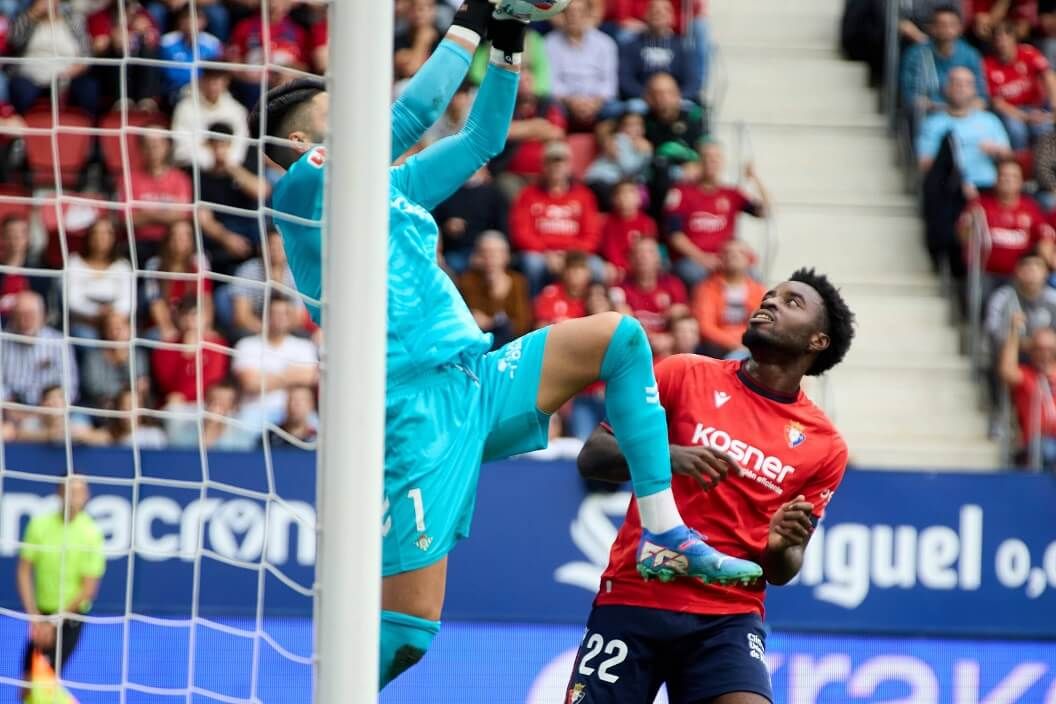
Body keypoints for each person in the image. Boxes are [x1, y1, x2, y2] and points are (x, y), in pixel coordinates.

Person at [253, 4, 760, 689]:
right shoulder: (303, 186)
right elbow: (410, 116)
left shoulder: (386, 187)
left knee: (619, 336)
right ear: (298, 138)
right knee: (408, 635)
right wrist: (470, 16)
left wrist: (509, 41)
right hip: (410, 408)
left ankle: (664, 530)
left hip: (474, 381)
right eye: (331, 112)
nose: (349, 116)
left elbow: (482, 138)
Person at [569, 268, 855, 703]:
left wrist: (781, 545)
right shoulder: (682, 373)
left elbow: (782, 570)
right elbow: (592, 457)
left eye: (791, 302)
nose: (770, 301)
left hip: (727, 618)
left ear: (817, 341)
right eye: (771, 295)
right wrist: (668, 457)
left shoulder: (825, 446)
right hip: (635, 597)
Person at [918, 66, 1012, 276]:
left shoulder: (989, 121)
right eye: (955, 83)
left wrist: (997, 151)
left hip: (987, 188)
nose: (960, 88)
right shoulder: (934, 123)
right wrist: (959, 178)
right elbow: (925, 163)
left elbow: (1009, 157)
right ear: (946, 88)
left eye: (966, 84)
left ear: (974, 90)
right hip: (950, 190)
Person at [17, 477, 105, 696]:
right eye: (71, 491)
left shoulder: (91, 533)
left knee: (43, 685)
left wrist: (53, 622)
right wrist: (35, 617)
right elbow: (24, 571)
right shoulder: (39, 525)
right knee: (26, 687)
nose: (76, 497)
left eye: (81, 491)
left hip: (69, 619)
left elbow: (88, 589)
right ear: (59, 493)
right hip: (41, 616)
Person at [664, 141, 771, 288]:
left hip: (726, 258)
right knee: (695, 275)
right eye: (707, 157)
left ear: (722, 162)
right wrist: (702, 258)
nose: (712, 161)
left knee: (753, 275)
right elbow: (674, 235)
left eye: (716, 157)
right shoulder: (681, 192)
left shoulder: (731, 194)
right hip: (693, 259)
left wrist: (754, 178)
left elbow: (765, 211)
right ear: (699, 162)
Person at [511, 139, 604, 294]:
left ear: (569, 166)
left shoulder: (584, 196)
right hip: (541, 254)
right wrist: (546, 253)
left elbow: (592, 235)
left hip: (575, 254)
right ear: (543, 166)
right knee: (532, 264)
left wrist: (570, 255)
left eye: (561, 162)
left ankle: (590, 306)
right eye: (551, 162)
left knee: (597, 268)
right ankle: (537, 307)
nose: (556, 167)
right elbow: (521, 232)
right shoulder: (528, 195)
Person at [900, 4, 988, 117]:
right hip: (929, 117)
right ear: (931, 28)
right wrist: (944, 109)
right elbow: (910, 97)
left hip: (965, 117)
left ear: (960, 28)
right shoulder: (916, 54)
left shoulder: (970, 55)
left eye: (951, 25)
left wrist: (961, 111)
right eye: (941, 25)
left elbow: (981, 98)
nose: (947, 29)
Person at [544, 0, 620, 130]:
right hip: (565, 102)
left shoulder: (605, 43)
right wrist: (571, 101)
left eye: (579, 12)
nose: (574, 16)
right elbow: (552, 82)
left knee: (621, 110)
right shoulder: (550, 43)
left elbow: (609, 84)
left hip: (598, 103)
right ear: (563, 15)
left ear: (588, 15)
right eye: (570, 12)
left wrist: (595, 103)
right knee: (548, 107)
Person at [983, 21, 1056, 149]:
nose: (1002, 43)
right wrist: (1026, 117)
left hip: (1036, 106)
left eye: (1006, 37)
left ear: (1014, 39)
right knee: (1016, 130)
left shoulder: (1028, 52)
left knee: (1045, 129)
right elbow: (997, 103)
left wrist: (1054, 106)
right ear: (993, 43)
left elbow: (1048, 75)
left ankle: (1047, 162)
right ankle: (1019, 161)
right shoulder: (987, 65)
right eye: (998, 39)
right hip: (1010, 112)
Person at [998, 310, 1056, 468]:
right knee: (1048, 450)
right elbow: (1007, 371)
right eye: (1039, 349)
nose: (1045, 354)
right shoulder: (1027, 375)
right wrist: (1014, 333)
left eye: (1050, 349)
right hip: (1038, 442)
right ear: (1031, 351)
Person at [457, 230, 533, 348]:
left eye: (495, 253)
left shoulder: (518, 281)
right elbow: (470, 318)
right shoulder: (467, 281)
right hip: (479, 343)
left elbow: (522, 324)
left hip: (510, 345)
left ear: (506, 256)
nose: (489, 258)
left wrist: (493, 322)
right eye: (484, 253)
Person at [692, 239, 767, 359]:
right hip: (717, 346)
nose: (734, 256)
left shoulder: (758, 290)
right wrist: (735, 344)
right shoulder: (707, 288)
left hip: (748, 343)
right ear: (721, 259)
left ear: (749, 260)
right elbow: (705, 327)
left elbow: (762, 324)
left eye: (740, 252)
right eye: (728, 252)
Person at [2, 291, 78, 406]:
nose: (24, 321)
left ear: (43, 316)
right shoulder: (3, 341)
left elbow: (70, 387)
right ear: (12, 317)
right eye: (19, 315)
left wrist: (52, 403)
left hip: (50, 408)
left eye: (30, 315)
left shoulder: (59, 343)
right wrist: (8, 404)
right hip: (10, 408)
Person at [66, 217, 134, 340]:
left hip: (115, 322)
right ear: (88, 236)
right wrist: (97, 312)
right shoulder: (74, 263)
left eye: (106, 233)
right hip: (84, 322)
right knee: (85, 337)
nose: (100, 237)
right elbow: (72, 300)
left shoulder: (122, 266)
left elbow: (128, 302)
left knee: (122, 336)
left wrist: (111, 315)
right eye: (96, 233)